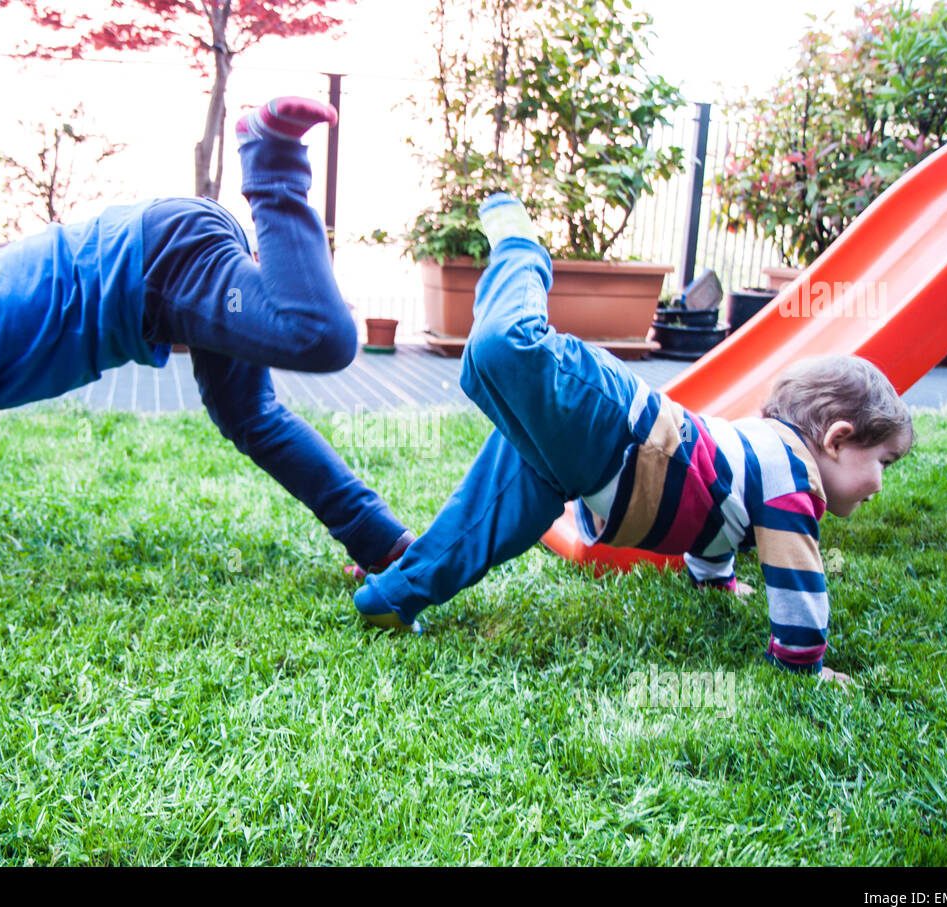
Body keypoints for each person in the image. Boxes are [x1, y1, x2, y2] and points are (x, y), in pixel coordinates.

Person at [0, 96, 412, 634]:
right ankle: (381, 542)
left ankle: (269, 160)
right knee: (249, 415)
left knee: (318, 338)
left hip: (162, 263)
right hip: (163, 257)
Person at [354, 193, 914, 681]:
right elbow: (798, 578)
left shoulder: (761, 463)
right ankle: (522, 249)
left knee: (487, 523)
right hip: (616, 425)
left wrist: (714, 582)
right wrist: (801, 665)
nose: (880, 485)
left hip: (587, 467)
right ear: (837, 439)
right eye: (883, 460)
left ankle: (392, 598)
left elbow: (719, 517)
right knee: (503, 347)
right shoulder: (794, 477)